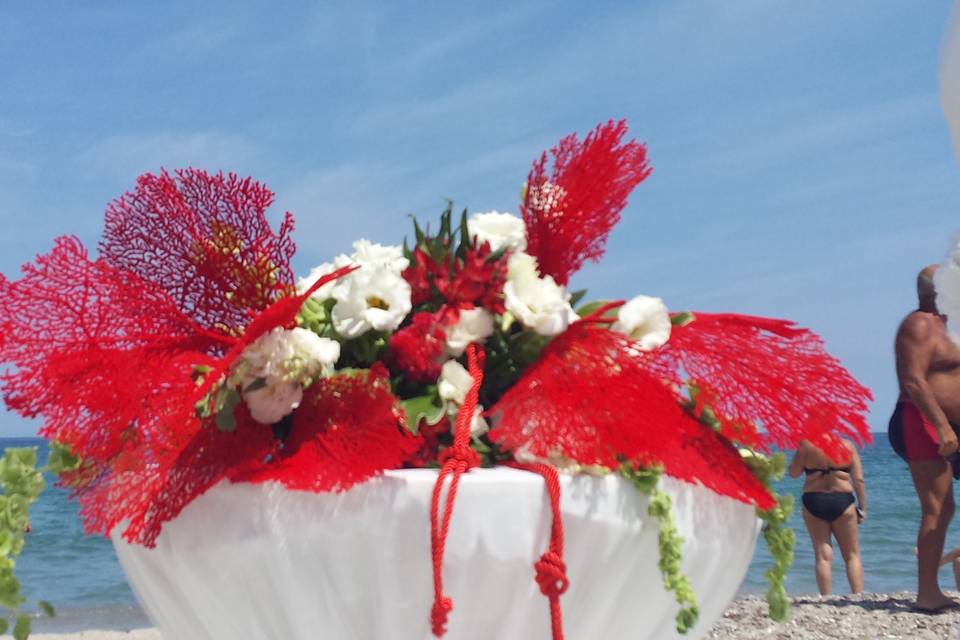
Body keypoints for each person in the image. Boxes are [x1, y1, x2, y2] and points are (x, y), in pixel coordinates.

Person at [889, 264, 960, 613]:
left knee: (945, 509)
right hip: (924, 422)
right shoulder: (918, 324)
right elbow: (914, 381)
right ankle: (928, 594)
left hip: (952, 423)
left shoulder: (950, 326)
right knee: (940, 508)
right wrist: (942, 427)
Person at [789, 438, 866, 594]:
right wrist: (862, 507)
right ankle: (857, 595)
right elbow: (858, 480)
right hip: (842, 500)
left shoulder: (806, 444)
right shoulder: (847, 445)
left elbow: (794, 473)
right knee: (852, 555)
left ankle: (826, 597)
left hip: (814, 500)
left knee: (822, 555)